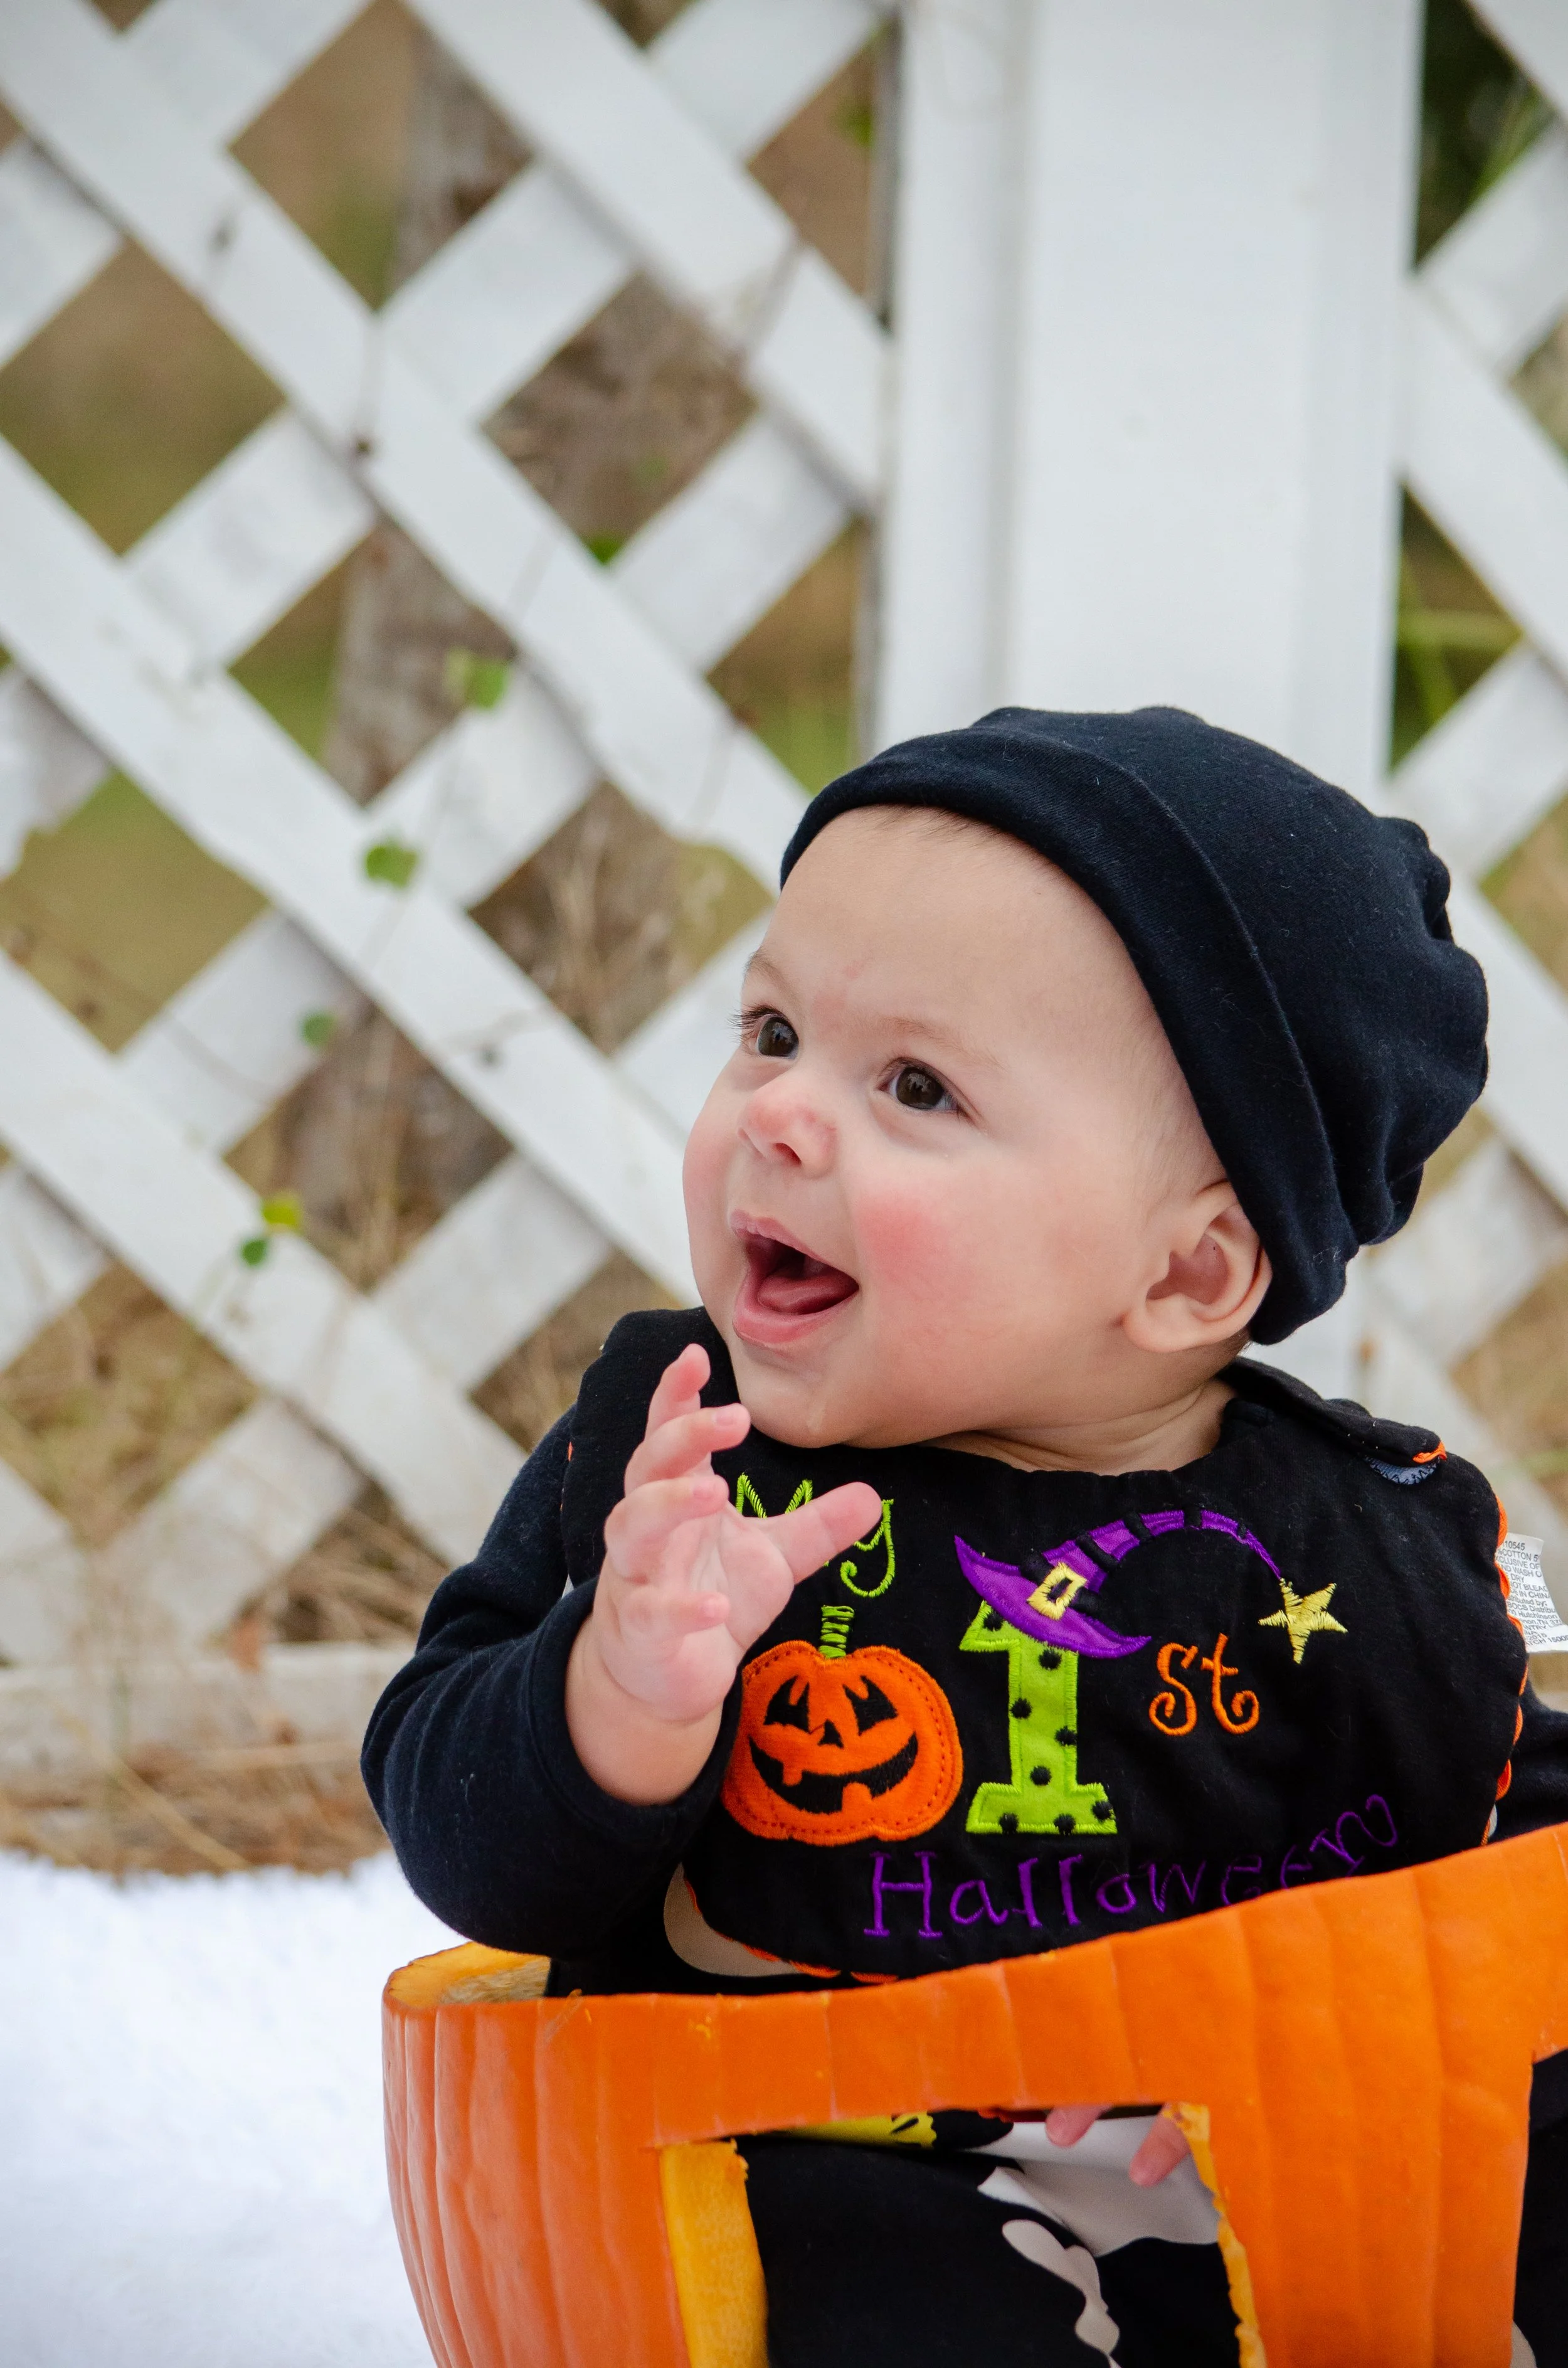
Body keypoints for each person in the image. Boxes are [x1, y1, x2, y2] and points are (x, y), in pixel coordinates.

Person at [365, 706, 1568, 2367]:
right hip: (803, 2173)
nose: (781, 1115)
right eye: (771, 1028)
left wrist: (1345, 2073)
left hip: (1252, 2187)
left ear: (1186, 1277)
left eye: (913, 1085)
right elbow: (463, 1839)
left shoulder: (1353, 1549)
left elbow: (1516, 1871)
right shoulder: (680, 1465)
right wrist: (620, 1696)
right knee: (878, 2282)